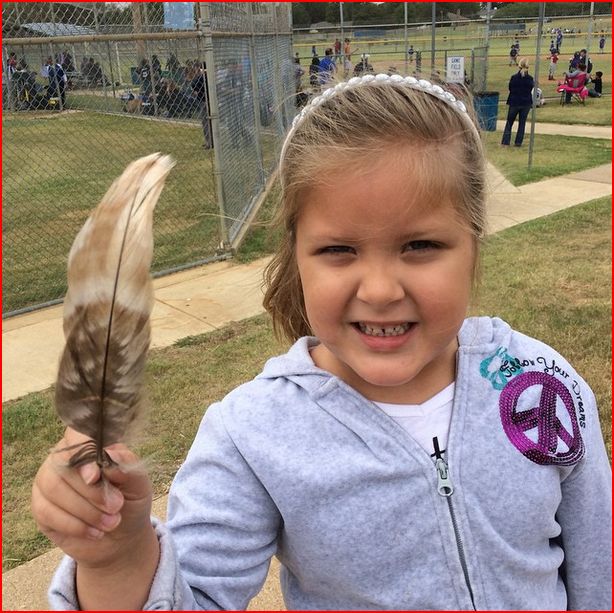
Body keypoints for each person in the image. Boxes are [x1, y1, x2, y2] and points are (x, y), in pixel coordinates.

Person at [33, 73, 612, 611]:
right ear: (297, 257)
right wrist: (118, 558)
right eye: (339, 250)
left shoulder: (539, 381)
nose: (380, 290)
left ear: (474, 244)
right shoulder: (252, 434)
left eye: (420, 246)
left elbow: (597, 565)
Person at [501, 57, 534, 147]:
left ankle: (505, 141)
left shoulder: (514, 78)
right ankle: (518, 142)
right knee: (522, 123)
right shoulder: (530, 79)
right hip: (526, 103)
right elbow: (530, 88)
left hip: (514, 102)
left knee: (509, 122)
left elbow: (510, 88)